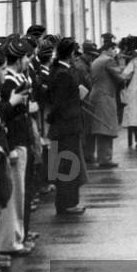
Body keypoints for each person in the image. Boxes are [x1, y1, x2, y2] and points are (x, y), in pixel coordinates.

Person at [46, 38, 87, 217]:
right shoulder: (63, 74)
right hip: (67, 126)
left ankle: (66, 202)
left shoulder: (58, 70)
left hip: (63, 126)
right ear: (70, 54)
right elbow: (60, 103)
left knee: (64, 164)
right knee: (68, 164)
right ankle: (68, 203)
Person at [85, 45, 123, 168]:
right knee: (106, 127)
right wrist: (122, 65)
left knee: (98, 127)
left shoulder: (96, 60)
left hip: (95, 95)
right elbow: (120, 78)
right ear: (107, 49)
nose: (114, 52)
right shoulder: (108, 60)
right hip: (106, 96)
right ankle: (105, 158)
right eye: (113, 49)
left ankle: (95, 156)